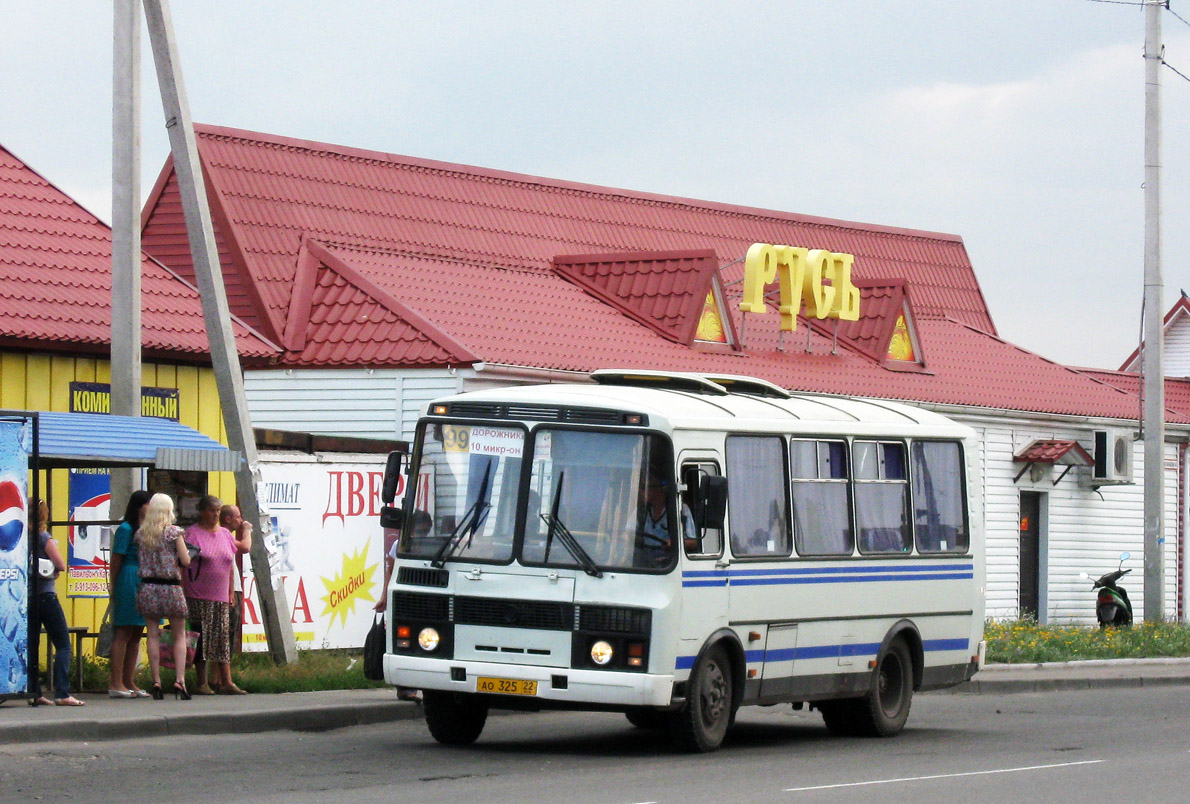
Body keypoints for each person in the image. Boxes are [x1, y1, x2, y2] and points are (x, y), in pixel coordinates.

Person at [183, 495, 247, 695]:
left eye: (218, 510)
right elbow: (184, 565)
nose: (216, 514)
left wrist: (230, 591)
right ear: (202, 511)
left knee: (222, 638)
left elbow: (229, 562)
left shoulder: (226, 535)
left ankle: (226, 681)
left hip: (221, 595)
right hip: (198, 593)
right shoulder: (192, 534)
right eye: (212, 510)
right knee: (201, 637)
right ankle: (201, 682)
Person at [135, 493, 192, 700]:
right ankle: (180, 680)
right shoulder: (174, 533)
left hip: (148, 587)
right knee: (178, 635)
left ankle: (156, 680)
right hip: (171, 587)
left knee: (152, 634)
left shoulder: (142, 534)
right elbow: (185, 560)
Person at [31, 500, 83, 706]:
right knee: (63, 645)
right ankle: (62, 692)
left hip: (29, 597)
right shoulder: (44, 537)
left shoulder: (21, 537)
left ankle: (34, 691)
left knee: (32, 645)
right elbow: (60, 563)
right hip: (46, 595)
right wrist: (56, 569)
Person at [374, 510, 430, 702]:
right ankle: (406, 687)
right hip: (404, 601)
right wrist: (384, 597)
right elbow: (390, 570)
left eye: (424, 531)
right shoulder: (400, 545)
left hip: (425, 602)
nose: (420, 535)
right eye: (418, 531)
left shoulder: (435, 546)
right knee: (404, 643)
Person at [107, 489, 152, 698]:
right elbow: (116, 559)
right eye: (148, 503)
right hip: (128, 576)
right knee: (123, 631)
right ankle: (115, 682)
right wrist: (113, 584)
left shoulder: (148, 528)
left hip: (144, 578)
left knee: (136, 633)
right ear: (139, 506)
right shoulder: (126, 529)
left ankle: (128, 680)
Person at [218, 504, 252, 657]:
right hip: (230, 589)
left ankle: (217, 673)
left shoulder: (224, 534)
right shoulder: (225, 534)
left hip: (230, 587)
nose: (240, 520)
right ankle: (223, 671)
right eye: (237, 517)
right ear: (227, 519)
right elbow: (245, 547)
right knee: (230, 629)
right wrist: (247, 530)